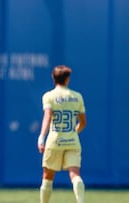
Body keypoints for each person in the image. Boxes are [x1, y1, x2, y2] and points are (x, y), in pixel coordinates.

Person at [37, 65, 87, 203]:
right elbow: (83, 122)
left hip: (55, 141)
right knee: (75, 175)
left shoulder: (49, 96)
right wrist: (73, 133)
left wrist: (41, 137)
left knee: (47, 177)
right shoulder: (77, 96)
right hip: (72, 141)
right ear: (67, 79)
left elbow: (47, 117)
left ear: (53, 78)